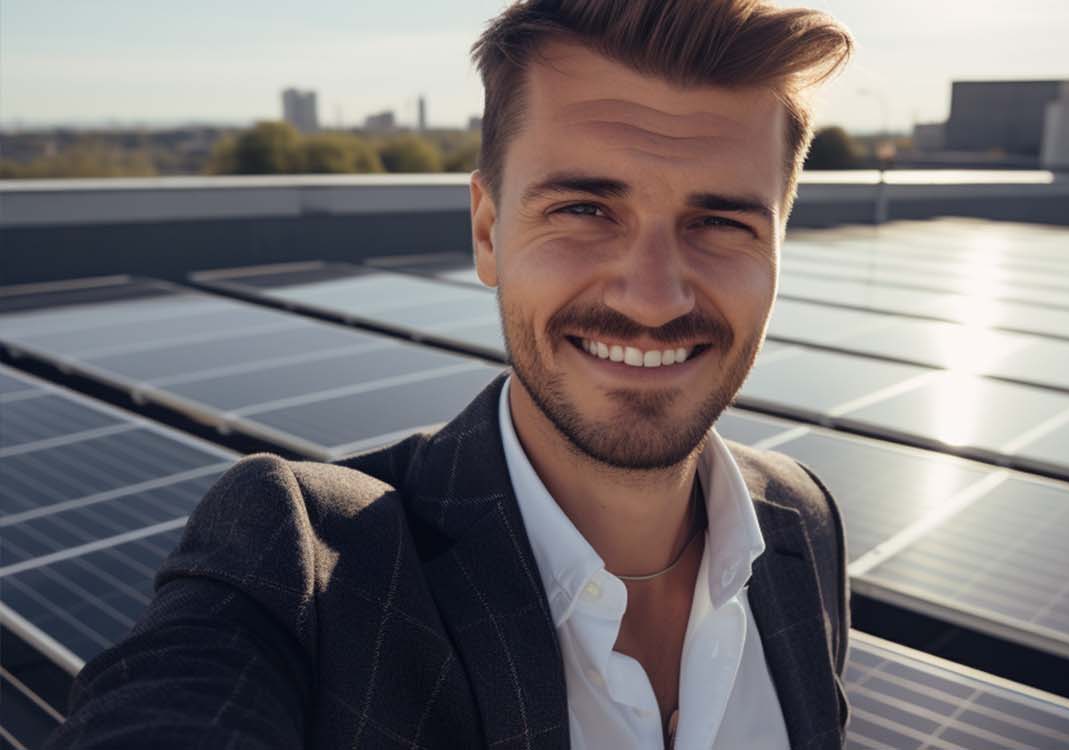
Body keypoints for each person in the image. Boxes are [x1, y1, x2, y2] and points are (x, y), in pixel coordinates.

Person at [48, 1, 853, 748]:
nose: (651, 298)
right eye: (583, 210)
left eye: (719, 223)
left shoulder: (801, 523)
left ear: (780, 249)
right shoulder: (307, 563)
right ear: (488, 231)